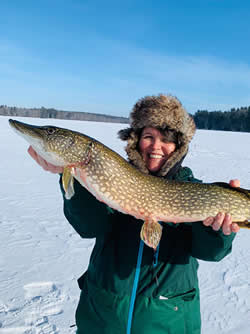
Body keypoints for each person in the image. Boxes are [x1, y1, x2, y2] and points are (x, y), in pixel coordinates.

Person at [28, 94, 240, 334]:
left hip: (168, 320)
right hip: (103, 317)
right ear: (136, 140)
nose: (156, 146)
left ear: (178, 146)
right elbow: (89, 227)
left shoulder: (193, 188)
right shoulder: (109, 176)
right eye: (148, 136)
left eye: (166, 139)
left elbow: (211, 253)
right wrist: (73, 179)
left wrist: (217, 232)